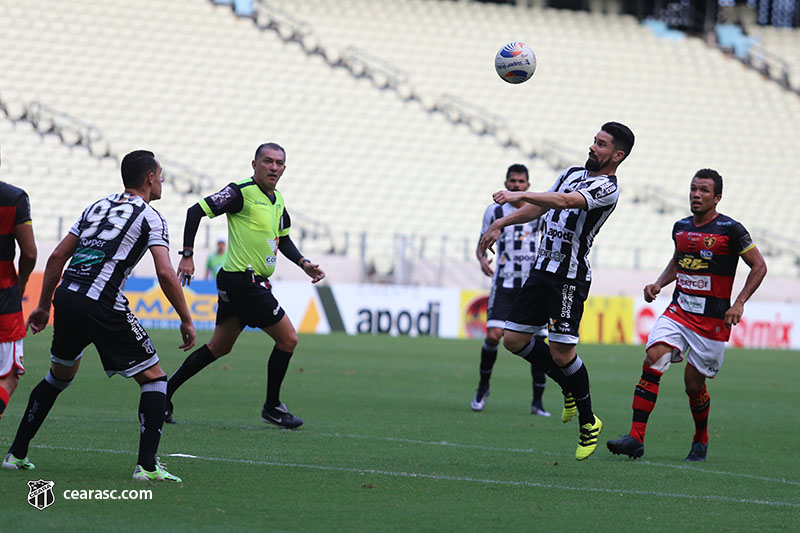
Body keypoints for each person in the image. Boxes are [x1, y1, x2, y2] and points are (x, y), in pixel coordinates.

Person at [2, 150, 196, 482]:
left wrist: (43, 305)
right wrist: (186, 318)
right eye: (160, 174)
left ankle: (16, 454)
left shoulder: (97, 206)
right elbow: (165, 273)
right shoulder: (151, 217)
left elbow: (58, 257)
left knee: (58, 376)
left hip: (67, 297)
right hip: (102, 303)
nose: (162, 180)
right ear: (149, 178)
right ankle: (147, 467)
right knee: (155, 379)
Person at [479, 122, 635, 461]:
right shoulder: (570, 172)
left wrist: (520, 193)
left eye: (602, 144)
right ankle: (567, 385)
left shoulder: (608, 188)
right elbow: (541, 208)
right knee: (513, 340)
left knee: (564, 356)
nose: (593, 147)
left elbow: (564, 202)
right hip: (540, 271)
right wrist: (499, 223)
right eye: (594, 141)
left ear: (617, 155)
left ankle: (588, 421)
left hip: (569, 278)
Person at [607, 169, 766, 462]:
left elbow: (759, 267)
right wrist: (658, 283)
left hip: (712, 320)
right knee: (652, 358)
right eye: (694, 188)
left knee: (693, 385)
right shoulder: (680, 227)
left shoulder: (731, 230)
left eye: (704, 190)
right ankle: (636, 438)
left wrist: (740, 302)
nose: (696, 194)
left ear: (717, 197)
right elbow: (679, 260)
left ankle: (700, 437)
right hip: (679, 311)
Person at [166, 142, 325, 429]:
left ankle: (163, 393)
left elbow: (284, 239)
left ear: (284, 169)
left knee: (219, 347)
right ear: (254, 165)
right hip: (245, 281)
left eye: (279, 163)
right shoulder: (240, 192)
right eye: (267, 161)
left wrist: (304, 263)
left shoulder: (277, 200)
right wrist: (187, 255)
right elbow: (195, 211)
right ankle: (272, 407)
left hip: (241, 281)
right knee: (288, 339)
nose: (273, 167)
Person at [471, 164, 550, 417]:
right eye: (512, 181)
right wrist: (482, 258)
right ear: (506, 183)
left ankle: (537, 402)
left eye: (521, 182)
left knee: (538, 341)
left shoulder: (538, 211)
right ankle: (483, 387)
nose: (516, 185)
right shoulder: (494, 211)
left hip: (531, 286)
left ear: (528, 185)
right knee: (494, 335)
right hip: (504, 283)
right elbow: (482, 240)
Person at [0, 150, 38, 426]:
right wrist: (21, 283)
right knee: (8, 375)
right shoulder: (14, 198)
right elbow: (30, 253)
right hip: (4, 299)